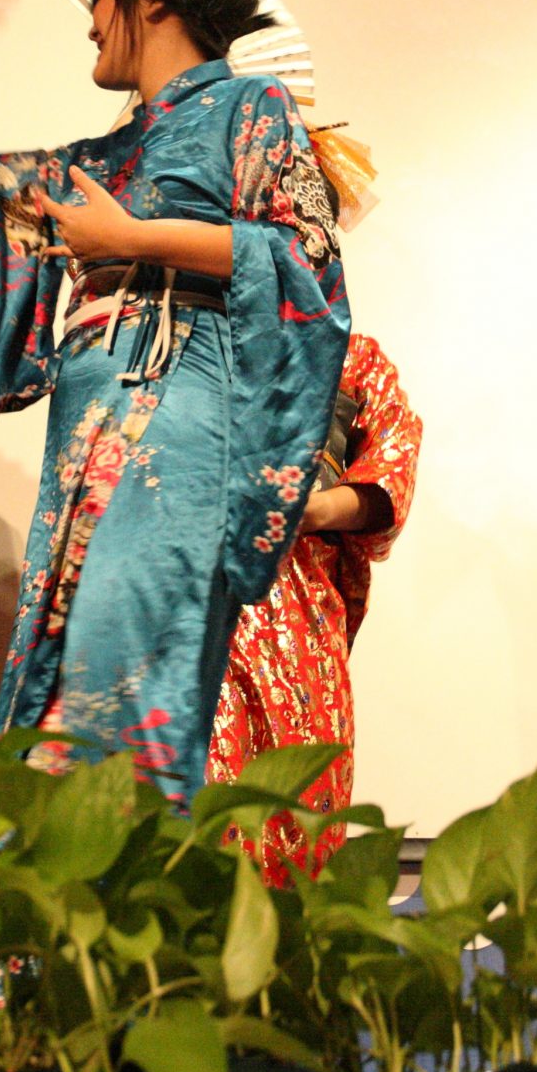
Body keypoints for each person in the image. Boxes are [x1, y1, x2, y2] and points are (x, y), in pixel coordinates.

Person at [0, 0, 349, 801]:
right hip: (89, 427)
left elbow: (303, 252)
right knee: (67, 660)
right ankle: (67, 879)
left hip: (178, 406)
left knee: (128, 654)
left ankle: (124, 867)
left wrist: (133, 238)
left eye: (101, 1)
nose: (89, 25)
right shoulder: (103, 157)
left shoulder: (251, 104)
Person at [205, 317, 421, 883]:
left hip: (301, 611)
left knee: (299, 809)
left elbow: (393, 466)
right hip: (189, 586)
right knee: (200, 809)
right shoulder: (182, 333)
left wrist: (315, 508)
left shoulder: (355, 357)